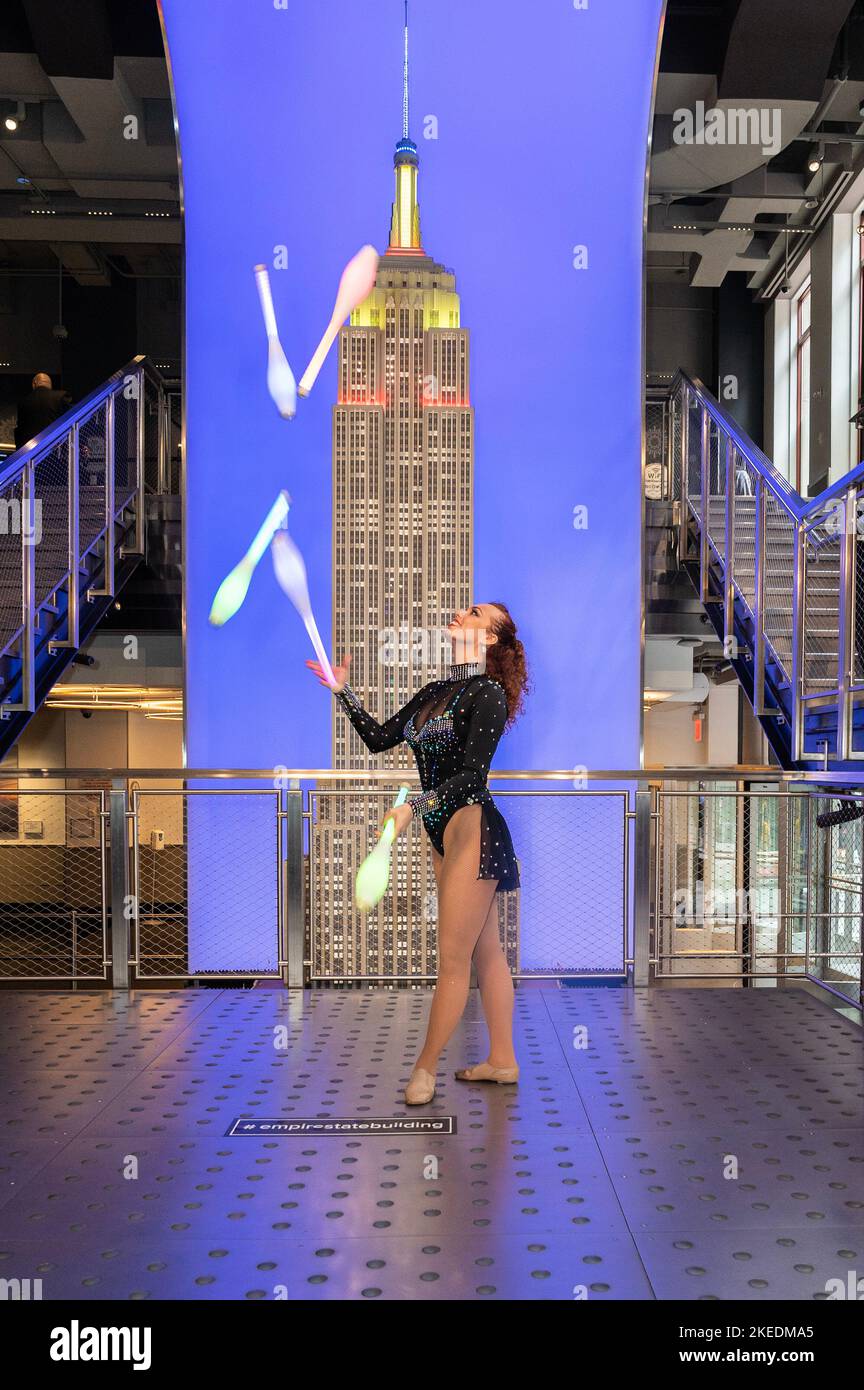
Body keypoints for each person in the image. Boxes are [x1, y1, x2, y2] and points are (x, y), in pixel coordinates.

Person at [307, 602, 529, 1105]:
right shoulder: (434, 693)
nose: (458, 613)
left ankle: (424, 1069)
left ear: (490, 639)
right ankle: (502, 1060)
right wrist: (344, 692)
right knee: (486, 949)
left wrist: (412, 806)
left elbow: (472, 777)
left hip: (472, 827)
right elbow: (379, 738)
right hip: (441, 832)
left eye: (473, 613)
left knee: (453, 959)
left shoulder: (487, 693)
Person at [14, 373, 72, 450]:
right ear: (50, 384)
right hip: (54, 448)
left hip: (30, 452)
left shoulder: (23, 402)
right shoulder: (61, 396)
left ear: (34, 384)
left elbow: (20, 430)